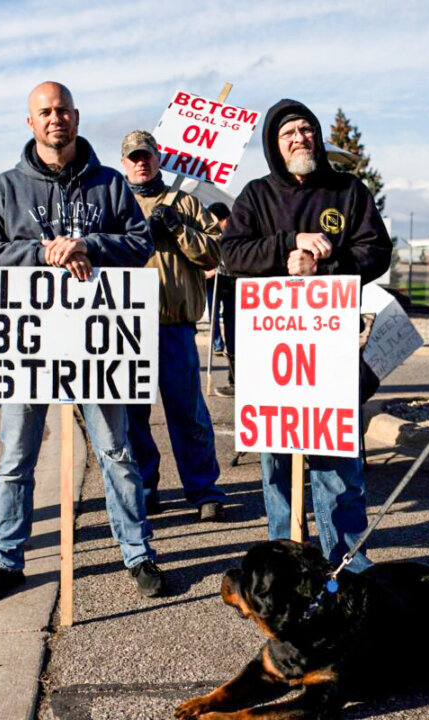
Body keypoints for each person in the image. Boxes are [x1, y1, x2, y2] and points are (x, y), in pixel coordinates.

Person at [0, 82, 163, 603]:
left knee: (117, 453)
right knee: (14, 460)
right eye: (44, 112)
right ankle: (6, 559)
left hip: (96, 349)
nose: (55, 119)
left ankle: (137, 552)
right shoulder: (7, 188)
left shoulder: (109, 185)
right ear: (29, 122)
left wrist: (90, 245)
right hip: (27, 351)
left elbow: (142, 243)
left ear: (77, 117)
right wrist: (43, 251)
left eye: (63, 111)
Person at [220, 98, 392, 572]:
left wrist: (327, 264)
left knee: (338, 463)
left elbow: (376, 252)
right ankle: (287, 559)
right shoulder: (255, 196)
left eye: (307, 129)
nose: (301, 138)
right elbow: (233, 254)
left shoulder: (348, 190)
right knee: (278, 465)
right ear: (275, 146)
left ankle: (346, 564)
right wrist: (286, 248)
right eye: (289, 133)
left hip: (331, 353)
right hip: (271, 355)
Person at [119, 130, 226, 521]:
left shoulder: (185, 202)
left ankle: (203, 490)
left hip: (175, 326)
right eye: (133, 157)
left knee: (188, 414)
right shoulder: (115, 203)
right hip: (127, 327)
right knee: (132, 417)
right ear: (124, 163)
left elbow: (216, 251)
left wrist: (180, 229)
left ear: (158, 158)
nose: (141, 163)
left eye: (146, 156)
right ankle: (145, 488)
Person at [205, 202, 237, 398]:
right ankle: (218, 344)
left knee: (233, 326)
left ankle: (235, 377)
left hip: (231, 281)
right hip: (215, 280)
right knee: (214, 316)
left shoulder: (236, 231)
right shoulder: (212, 232)